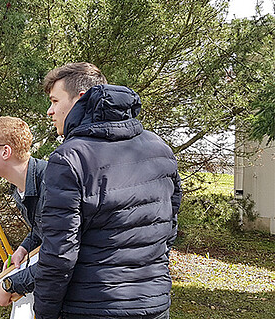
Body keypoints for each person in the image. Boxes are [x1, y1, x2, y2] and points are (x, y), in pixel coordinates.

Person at [34, 62, 181, 319]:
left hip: (92, 307)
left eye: (55, 101)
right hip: (153, 304)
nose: (50, 111)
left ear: (81, 99)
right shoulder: (160, 147)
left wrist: (44, 313)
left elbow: (59, 254)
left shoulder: (69, 158)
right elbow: (169, 227)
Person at [0, 117, 47, 312]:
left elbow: (60, 257)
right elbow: (43, 228)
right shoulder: (20, 186)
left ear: (5, 151)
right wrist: (24, 248)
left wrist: (11, 285)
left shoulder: (50, 185)